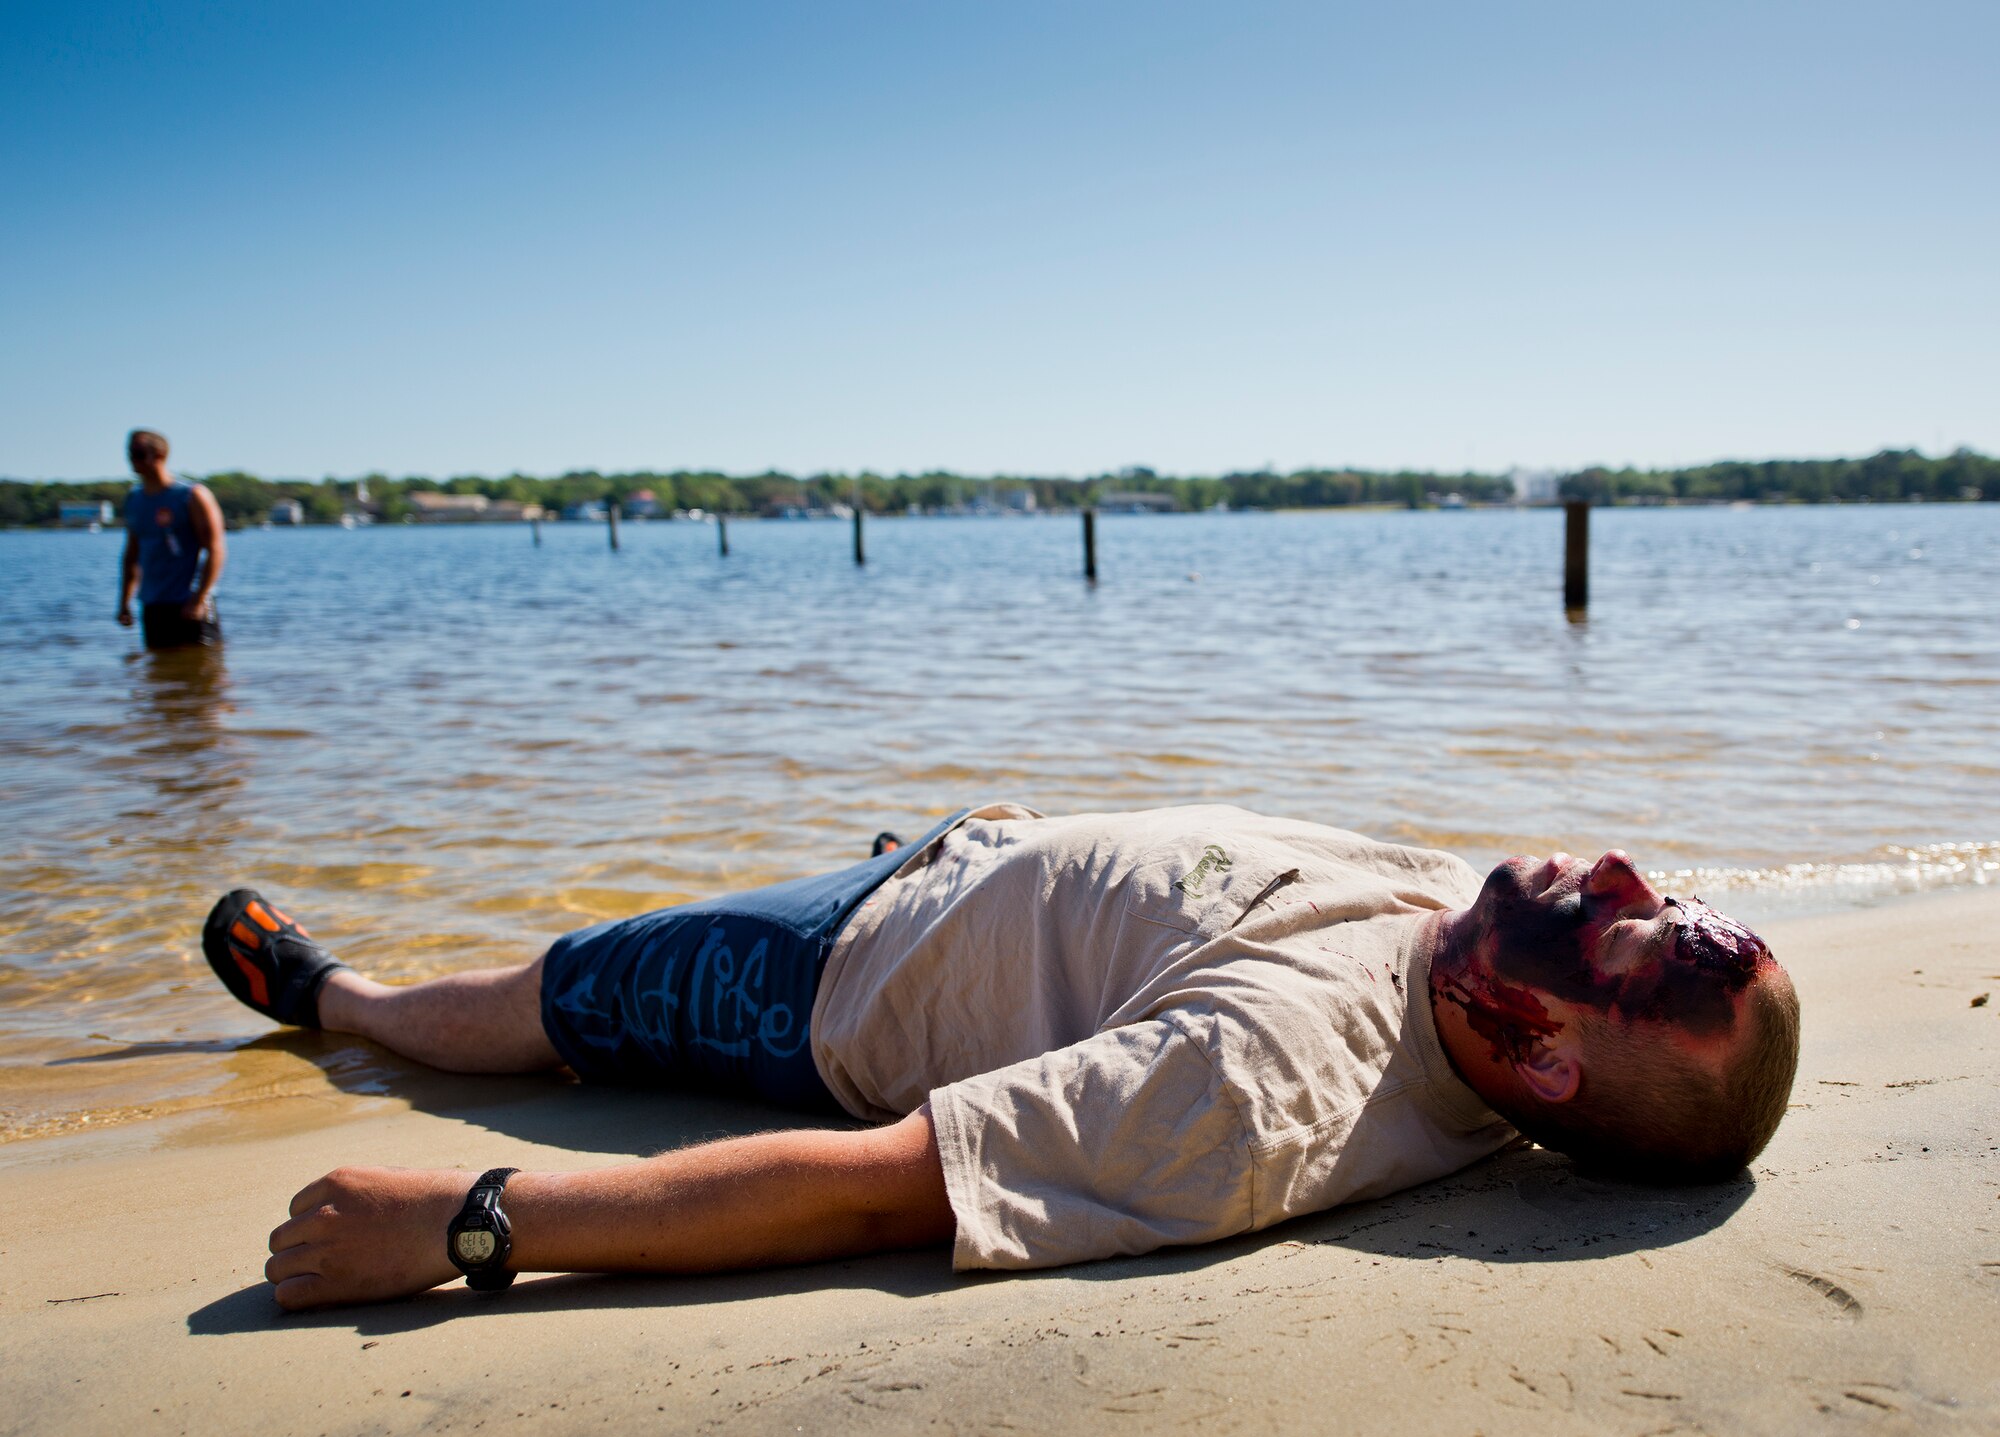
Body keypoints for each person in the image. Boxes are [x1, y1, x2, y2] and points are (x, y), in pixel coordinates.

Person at [202, 804, 1800, 1311]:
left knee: (561, 995)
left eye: (1632, 942)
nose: (1616, 884)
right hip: (954, 861)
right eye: (1663, 896)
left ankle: (349, 1004)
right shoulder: (1469, 949)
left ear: (1544, 1060)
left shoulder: (1257, 1094)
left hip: (828, 979)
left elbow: (884, 1189)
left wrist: (467, 1224)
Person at [118, 429, 226, 649]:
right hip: (153, 604)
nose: (132, 460)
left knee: (204, 673)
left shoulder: (192, 495)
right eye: (130, 453)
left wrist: (199, 598)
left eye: (138, 453)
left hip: (190, 603)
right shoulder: (134, 499)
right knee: (159, 674)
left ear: (159, 455)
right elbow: (131, 556)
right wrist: (124, 603)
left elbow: (216, 549)